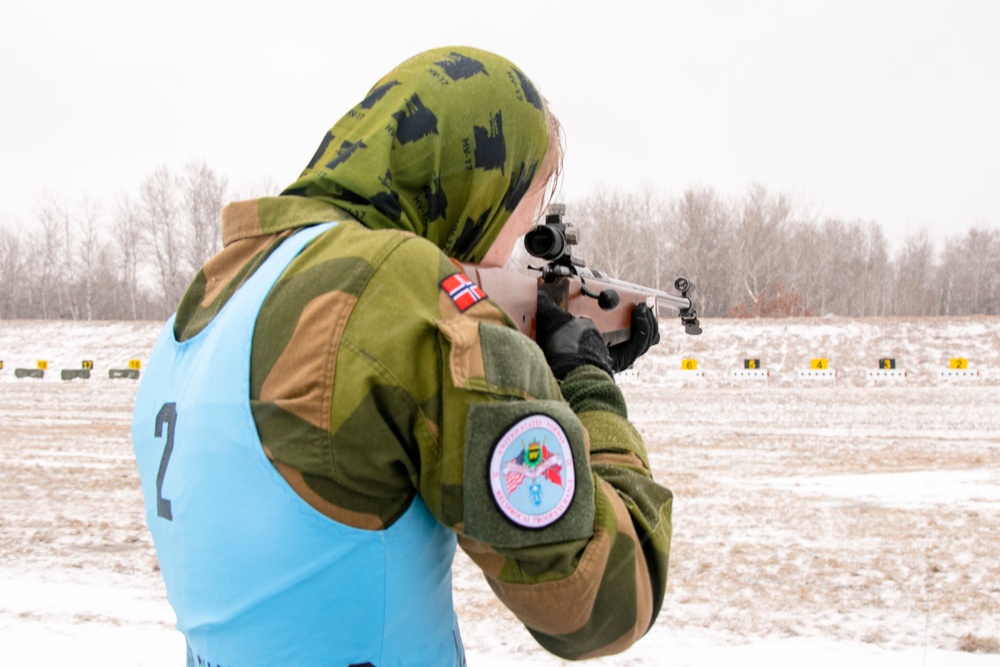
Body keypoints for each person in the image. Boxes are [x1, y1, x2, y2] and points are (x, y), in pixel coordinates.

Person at [131, 46, 672, 666]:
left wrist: (530, 378)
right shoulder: (403, 287)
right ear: (476, 187)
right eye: (516, 225)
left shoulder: (213, 292)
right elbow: (603, 601)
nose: (505, 262)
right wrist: (588, 385)